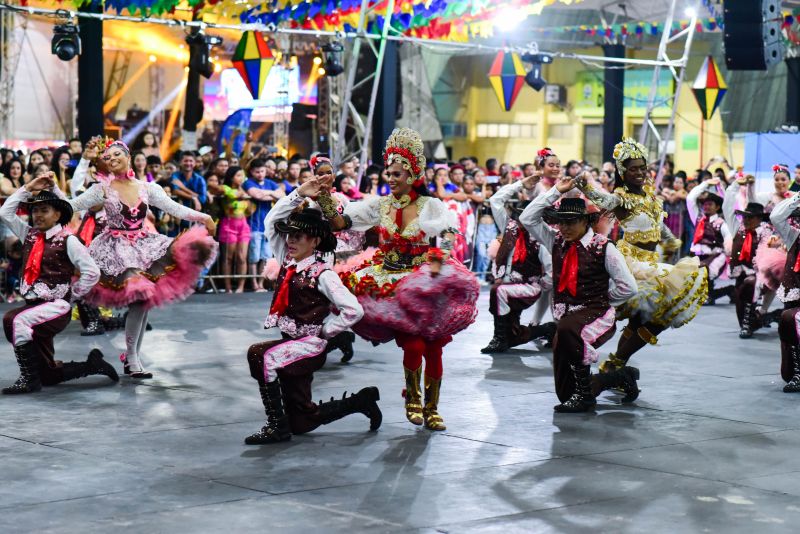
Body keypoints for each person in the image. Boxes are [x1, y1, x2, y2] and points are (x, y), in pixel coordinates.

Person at [317, 128, 480, 431]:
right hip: (389, 279)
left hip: (423, 281)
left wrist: (438, 261)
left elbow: (447, 235)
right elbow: (340, 222)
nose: (390, 178)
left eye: (395, 173)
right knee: (414, 345)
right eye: (388, 173)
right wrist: (325, 195)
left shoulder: (430, 205)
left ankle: (432, 408)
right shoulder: (379, 205)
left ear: (412, 173)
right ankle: (413, 400)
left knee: (433, 346)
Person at [65, 140, 217, 379]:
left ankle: (132, 356)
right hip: (115, 251)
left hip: (145, 246)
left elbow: (174, 208)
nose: (112, 158)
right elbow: (71, 205)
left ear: (128, 156)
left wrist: (204, 216)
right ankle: (132, 357)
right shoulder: (101, 188)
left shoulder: (148, 188)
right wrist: (44, 198)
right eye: (108, 157)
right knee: (140, 299)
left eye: (117, 154)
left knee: (143, 302)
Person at [244, 183, 380, 444]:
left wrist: (327, 332)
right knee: (303, 419)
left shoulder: (322, 272)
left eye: (299, 236)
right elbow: (272, 221)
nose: (291, 241)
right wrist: (299, 193)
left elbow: (354, 310)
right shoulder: (288, 259)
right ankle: (361, 401)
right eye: (290, 236)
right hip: (289, 342)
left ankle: (276, 428)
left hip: (308, 344)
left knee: (260, 355)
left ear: (315, 240)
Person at [576, 138, 707, 386]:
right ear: (623, 171)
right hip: (630, 263)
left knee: (648, 318)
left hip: (651, 261)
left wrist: (670, 241)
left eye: (642, 167)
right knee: (653, 317)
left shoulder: (649, 196)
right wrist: (587, 188)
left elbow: (657, 224)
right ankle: (614, 363)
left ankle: (615, 365)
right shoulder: (620, 197)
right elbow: (603, 201)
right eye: (633, 168)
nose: (639, 172)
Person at [520, 177, 639, 412]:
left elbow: (629, 287)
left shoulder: (603, 246)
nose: (564, 228)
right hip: (566, 318)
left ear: (586, 221)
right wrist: (555, 191)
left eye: (571, 222)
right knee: (565, 392)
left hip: (596, 314)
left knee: (567, 331)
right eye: (560, 222)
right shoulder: (555, 241)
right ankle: (619, 377)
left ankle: (585, 398)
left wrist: (600, 300)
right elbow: (527, 218)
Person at [0, 176, 118, 394]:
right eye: (35, 211)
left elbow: (92, 272)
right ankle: (93, 365)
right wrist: (27, 188)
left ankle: (29, 381)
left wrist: (72, 296)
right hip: (33, 305)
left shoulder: (68, 239)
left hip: (55, 307)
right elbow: (4, 213)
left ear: (57, 214)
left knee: (13, 320)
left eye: (44, 210)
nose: (37, 215)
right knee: (48, 374)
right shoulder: (30, 235)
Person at [481, 173, 552, 354]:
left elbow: (552, 271)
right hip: (507, 285)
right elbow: (496, 200)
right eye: (519, 216)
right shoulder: (509, 227)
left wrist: (540, 285)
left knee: (498, 291)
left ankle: (498, 339)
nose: (521, 221)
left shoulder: (540, 236)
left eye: (526, 217)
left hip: (528, 286)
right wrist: (520, 183)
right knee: (513, 335)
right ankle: (548, 329)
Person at [724, 202, 772, 338]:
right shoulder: (740, 231)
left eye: (750, 218)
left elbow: (770, 258)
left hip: (762, 274)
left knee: (750, 285)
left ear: (759, 219)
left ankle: (748, 324)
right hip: (742, 272)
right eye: (745, 217)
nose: (746, 220)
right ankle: (769, 317)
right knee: (740, 301)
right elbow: (735, 254)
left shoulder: (767, 234)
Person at [770, 194, 800, 392]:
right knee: (788, 322)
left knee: (790, 318)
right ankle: (796, 371)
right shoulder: (794, 236)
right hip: (795, 294)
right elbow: (776, 216)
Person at [686, 179, 731, 304]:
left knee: (705, 271)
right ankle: (708, 293)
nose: (706, 206)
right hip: (698, 255)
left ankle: (710, 293)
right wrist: (706, 184)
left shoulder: (721, 223)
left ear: (717, 207)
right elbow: (690, 199)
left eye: (710, 204)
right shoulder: (698, 219)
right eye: (704, 204)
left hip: (715, 256)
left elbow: (728, 237)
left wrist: (728, 247)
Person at [243, 158, 284, 291]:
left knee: (265, 257)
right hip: (254, 225)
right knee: (254, 257)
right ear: (251, 172)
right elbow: (256, 195)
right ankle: (254, 283)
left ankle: (261, 284)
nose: (260, 174)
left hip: (268, 227)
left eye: (262, 171)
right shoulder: (248, 182)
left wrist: (269, 193)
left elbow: (282, 196)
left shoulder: (270, 183)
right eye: (257, 172)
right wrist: (273, 195)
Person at [218, 167, 252, 293]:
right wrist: (239, 195)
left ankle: (240, 287)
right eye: (238, 175)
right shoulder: (225, 188)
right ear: (231, 177)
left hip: (243, 225)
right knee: (228, 258)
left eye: (243, 175)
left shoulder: (245, 190)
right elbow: (219, 189)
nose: (241, 178)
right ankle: (227, 287)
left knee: (242, 257)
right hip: (228, 225)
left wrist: (245, 196)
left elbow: (249, 210)